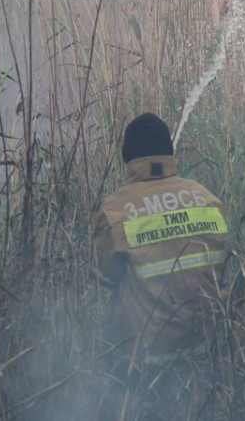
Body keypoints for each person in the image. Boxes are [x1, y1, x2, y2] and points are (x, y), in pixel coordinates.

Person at [93, 112, 228, 370]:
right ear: (169, 153)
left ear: (128, 157)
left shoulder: (114, 211)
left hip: (144, 357)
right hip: (205, 348)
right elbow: (221, 274)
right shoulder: (210, 200)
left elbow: (106, 279)